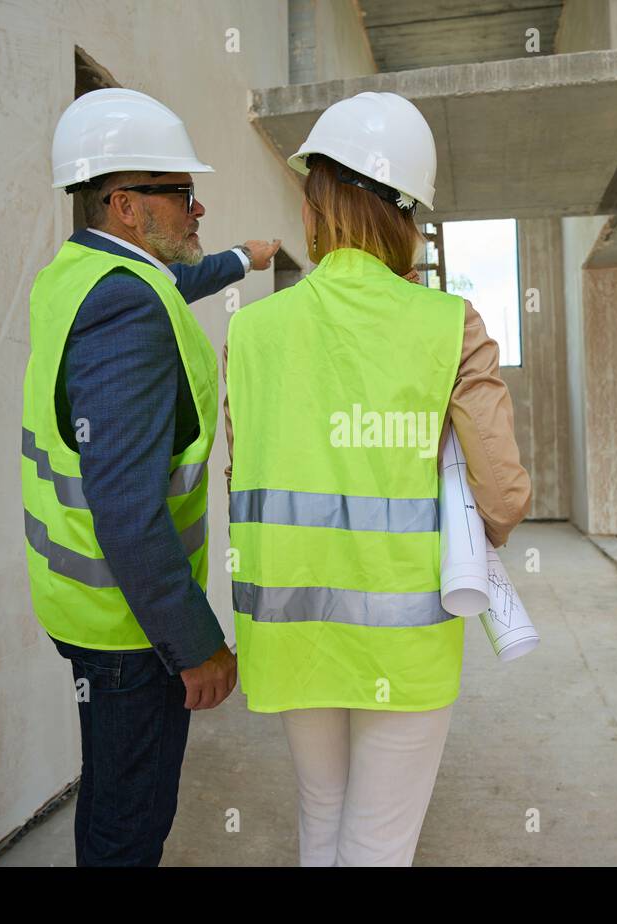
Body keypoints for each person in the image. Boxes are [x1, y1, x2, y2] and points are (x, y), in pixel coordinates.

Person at [224, 91, 531, 866]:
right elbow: (503, 494)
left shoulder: (252, 331)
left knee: (320, 820)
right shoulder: (447, 323)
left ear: (315, 202)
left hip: (289, 628)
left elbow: (246, 468)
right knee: (378, 843)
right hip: (403, 638)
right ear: (408, 217)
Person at [22, 87, 277, 866]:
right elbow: (129, 511)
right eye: (183, 195)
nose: (198, 209)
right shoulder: (126, 313)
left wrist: (245, 258)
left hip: (86, 609)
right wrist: (197, 646)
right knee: (130, 825)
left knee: (107, 789)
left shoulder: (84, 274)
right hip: (131, 629)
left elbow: (171, 285)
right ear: (128, 204)